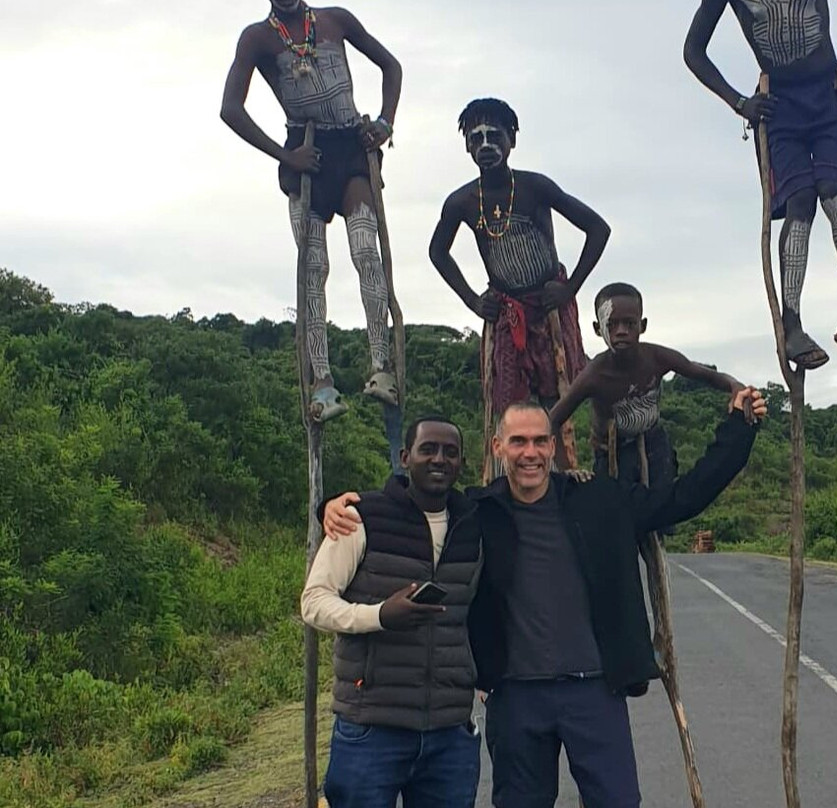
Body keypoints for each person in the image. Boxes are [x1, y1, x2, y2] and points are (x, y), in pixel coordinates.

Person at [326, 392, 766, 807]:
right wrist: (334, 507)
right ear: (498, 447)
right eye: (518, 441)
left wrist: (739, 428)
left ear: (553, 447)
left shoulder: (600, 499)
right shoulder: (477, 511)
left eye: (540, 441)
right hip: (515, 697)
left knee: (618, 802)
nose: (530, 453)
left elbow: (684, 497)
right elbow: (411, 502)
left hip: (595, 690)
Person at [221, 0, 403, 419]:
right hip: (306, 152)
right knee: (313, 268)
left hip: (351, 148)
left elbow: (391, 66)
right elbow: (230, 108)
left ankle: (381, 365)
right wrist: (285, 157)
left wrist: (385, 123)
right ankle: (321, 381)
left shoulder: (335, 20)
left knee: (366, 250)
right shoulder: (258, 38)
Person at [684, 0, 837, 370]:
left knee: (835, 192)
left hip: (830, 94)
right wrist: (740, 102)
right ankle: (792, 327)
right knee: (799, 200)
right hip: (779, 104)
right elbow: (693, 50)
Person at [301, 416, 483, 808]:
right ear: (405, 457)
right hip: (371, 726)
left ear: (462, 462)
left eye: (450, 452)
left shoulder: (474, 523)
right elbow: (314, 602)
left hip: (449, 732)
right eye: (428, 449)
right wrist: (380, 615)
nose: (439, 459)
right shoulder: (361, 517)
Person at [428, 98, 611, 445]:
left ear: (512, 139)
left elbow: (597, 229)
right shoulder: (462, 202)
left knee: (558, 399)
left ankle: (557, 469)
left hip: (549, 308)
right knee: (508, 403)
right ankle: (510, 471)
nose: (486, 146)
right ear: (466, 145)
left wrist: (570, 287)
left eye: (494, 136)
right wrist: (473, 301)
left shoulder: (534, 187)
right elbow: (438, 252)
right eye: (476, 138)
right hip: (507, 312)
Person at [549, 282, 746, 492]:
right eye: (611, 324)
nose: (621, 331)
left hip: (655, 447)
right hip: (612, 454)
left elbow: (705, 375)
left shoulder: (657, 358)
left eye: (629, 324)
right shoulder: (595, 375)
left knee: (665, 505)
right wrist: (565, 470)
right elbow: (553, 420)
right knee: (617, 509)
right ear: (598, 329)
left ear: (642, 325)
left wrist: (735, 386)